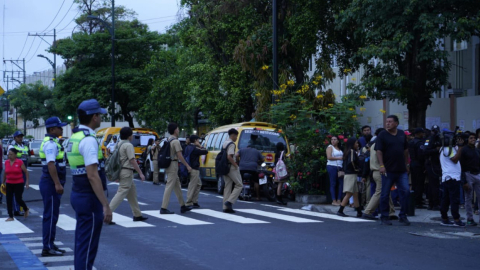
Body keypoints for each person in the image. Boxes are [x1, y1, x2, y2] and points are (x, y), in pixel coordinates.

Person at [67, 99, 112, 270]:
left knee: (82, 241)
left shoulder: (75, 137)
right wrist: (105, 205)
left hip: (78, 192)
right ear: (94, 117)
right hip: (89, 197)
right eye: (99, 114)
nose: (100, 117)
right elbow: (93, 176)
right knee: (88, 246)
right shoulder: (89, 140)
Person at [39, 117, 68, 257]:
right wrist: (57, 183)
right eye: (59, 127)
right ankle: (47, 247)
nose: (61, 129)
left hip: (51, 182)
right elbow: (51, 164)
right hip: (50, 183)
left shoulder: (54, 142)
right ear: (52, 129)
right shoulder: (50, 144)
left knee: (53, 215)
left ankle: (50, 243)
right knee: (50, 216)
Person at [375, 115, 411, 226]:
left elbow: (405, 150)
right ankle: (385, 216)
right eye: (387, 122)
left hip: (401, 169)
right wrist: (381, 165)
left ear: (396, 123)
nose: (388, 123)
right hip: (388, 169)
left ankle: (403, 215)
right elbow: (379, 151)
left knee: (405, 191)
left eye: (390, 122)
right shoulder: (382, 135)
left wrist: (407, 163)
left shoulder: (401, 134)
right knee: (385, 193)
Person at [108, 127, 148, 225]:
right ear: (129, 136)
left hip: (122, 171)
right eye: (132, 134)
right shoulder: (128, 145)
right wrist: (140, 173)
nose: (133, 136)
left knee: (132, 194)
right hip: (127, 171)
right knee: (121, 193)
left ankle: (137, 214)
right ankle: (106, 213)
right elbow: (132, 160)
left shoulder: (119, 144)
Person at [362, 128, 397, 220]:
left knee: (386, 191)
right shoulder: (380, 144)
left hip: (376, 170)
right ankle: (368, 211)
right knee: (380, 191)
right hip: (380, 170)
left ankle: (391, 212)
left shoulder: (373, 144)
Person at [160, 123, 193, 214]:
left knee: (177, 186)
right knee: (169, 186)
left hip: (169, 164)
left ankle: (182, 205)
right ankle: (163, 207)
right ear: (175, 130)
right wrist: (187, 165)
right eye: (178, 129)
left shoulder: (168, 139)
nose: (178, 130)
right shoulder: (175, 141)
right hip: (173, 164)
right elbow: (180, 155)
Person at [438, 135, 465, 226]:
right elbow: (455, 160)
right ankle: (456, 219)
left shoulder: (443, 148)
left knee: (445, 199)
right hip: (452, 177)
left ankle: (444, 218)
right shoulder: (448, 149)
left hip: (447, 177)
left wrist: (459, 146)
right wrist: (460, 147)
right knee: (454, 200)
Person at [337, 138, 362, 217]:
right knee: (349, 193)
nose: (357, 145)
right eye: (356, 143)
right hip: (351, 174)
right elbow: (352, 161)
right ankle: (340, 210)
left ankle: (359, 211)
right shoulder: (352, 151)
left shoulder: (347, 151)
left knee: (355, 193)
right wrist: (357, 169)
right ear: (352, 144)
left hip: (349, 174)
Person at [3, 148, 29, 221]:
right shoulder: (6, 162)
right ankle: (11, 216)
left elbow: (26, 172)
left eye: (11, 154)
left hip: (19, 183)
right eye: (8, 154)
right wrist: (3, 182)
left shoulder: (19, 162)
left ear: (15, 155)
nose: (9, 156)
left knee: (18, 199)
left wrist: (27, 182)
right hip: (9, 183)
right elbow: (5, 172)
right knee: (9, 200)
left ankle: (26, 208)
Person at [460, 133, 480, 226]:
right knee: (468, 198)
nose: (473, 139)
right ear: (467, 139)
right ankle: (470, 219)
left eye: (474, 138)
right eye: (471, 138)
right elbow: (461, 166)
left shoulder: (477, 150)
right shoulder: (464, 150)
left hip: (478, 175)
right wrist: (464, 181)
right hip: (468, 175)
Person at [8, 130, 29, 216]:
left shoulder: (25, 146)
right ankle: (16, 210)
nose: (20, 138)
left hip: (23, 170)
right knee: (14, 192)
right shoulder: (12, 146)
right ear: (15, 138)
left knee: (19, 191)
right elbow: (10, 159)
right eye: (18, 137)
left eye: (21, 136)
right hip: (16, 171)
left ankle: (18, 208)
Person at [223, 128, 243, 213]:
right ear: (233, 135)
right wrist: (236, 165)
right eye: (236, 136)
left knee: (227, 186)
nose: (236, 138)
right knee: (239, 185)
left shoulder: (225, 143)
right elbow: (229, 156)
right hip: (231, 167)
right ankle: (230, 202)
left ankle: (225, 207)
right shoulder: (231, 144)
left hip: (224, 167)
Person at [185, 135, 208, 208]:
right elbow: (205, 151)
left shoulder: (188, 147)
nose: (199, 142)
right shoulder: (194, 149)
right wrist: (200, 146)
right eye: (198, 140)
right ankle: (189, 202)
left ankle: (194, 201)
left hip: (191, 168)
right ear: (195, 140)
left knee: (198, 184)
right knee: (192, 185)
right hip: (194, 169)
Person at [424, 125, 442, 211]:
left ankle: (432, 203)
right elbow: (425, 151)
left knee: (433, 184)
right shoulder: (429, 139)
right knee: (433, 185)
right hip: (431, 164)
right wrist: (436, 150)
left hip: (436, 163)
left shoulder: (438, 139)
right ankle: (434, 204)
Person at [409, 127, 426, 208]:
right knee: (419, 183)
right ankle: (418, 201)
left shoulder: (411, 142)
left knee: (414, 183)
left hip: (413, 163)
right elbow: (421, 155)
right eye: (422, 133)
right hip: (419, 165)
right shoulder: (419, 143)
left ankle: (414, 200)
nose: (423, 134)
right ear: (418, 133)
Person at [326, 135, 344, 206]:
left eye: (335, 139)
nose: (333, 141)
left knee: (341, 183)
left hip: (340, 167)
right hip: (332, 166)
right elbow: (329, 157)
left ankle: (339, 199)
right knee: (333, 183)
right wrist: (339, 158)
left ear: (338, 141)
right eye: (332, 139)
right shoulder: (330, 147)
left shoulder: (340, 148)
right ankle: (334, 200)